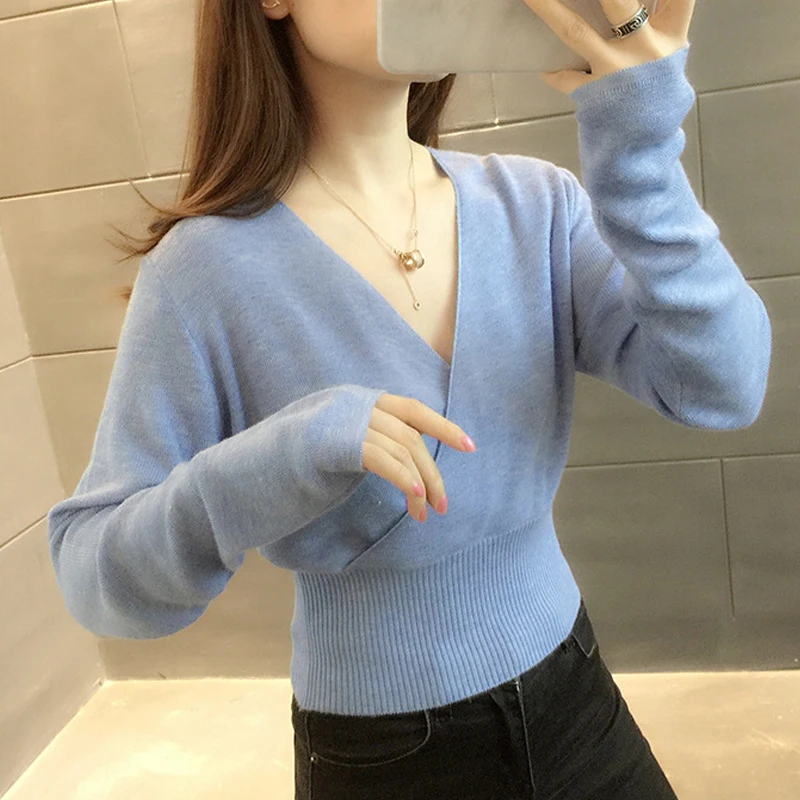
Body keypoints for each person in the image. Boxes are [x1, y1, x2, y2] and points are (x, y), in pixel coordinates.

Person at [48, 1, 771, 798]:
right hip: (382, 755)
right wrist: (279, 460)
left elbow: (725, 384)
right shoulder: (202, 273)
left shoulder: (534, 205)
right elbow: (94, 574)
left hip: (577, 698)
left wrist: (642, 153)